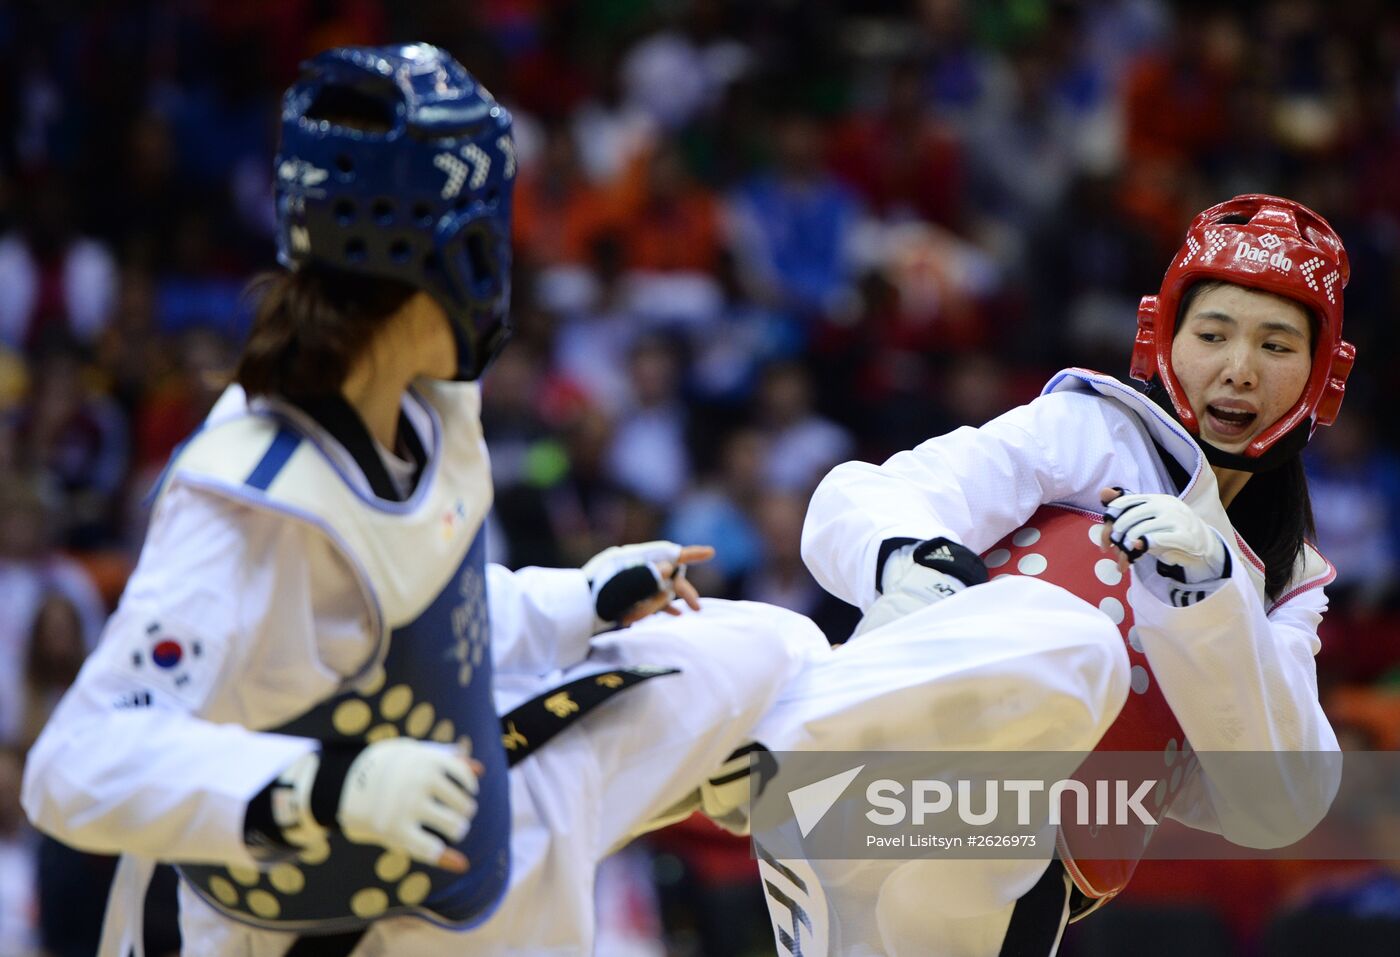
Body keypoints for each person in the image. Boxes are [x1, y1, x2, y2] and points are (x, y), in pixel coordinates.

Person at [20, 44, 825, 956]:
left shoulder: (436, 404)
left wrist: (585, 594)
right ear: (433, 256)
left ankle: (919, 836)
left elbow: (421, 620)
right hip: (320, 911)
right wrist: (328, 787)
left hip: (468, 808)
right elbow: (73, 766)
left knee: (777, 646)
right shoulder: (250, 492)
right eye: (489, 230)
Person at [749, 194, 1354, 955]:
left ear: (1321, 376)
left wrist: (1209, 595)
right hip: (878, 781)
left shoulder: (1290, 578)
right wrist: (913, 566)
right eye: (1212, 334)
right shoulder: (1089, 430)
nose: (1238, 370)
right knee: (1077, 644)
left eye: (1275, 345)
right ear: (1160, 337)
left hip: (1015, 890)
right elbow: (862, 495)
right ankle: (792, 743)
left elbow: (1282, 802)